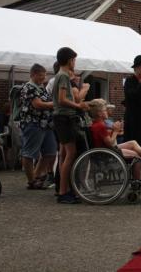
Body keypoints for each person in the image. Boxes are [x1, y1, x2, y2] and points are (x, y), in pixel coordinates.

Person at [88, 99, 141, 192]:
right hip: (107, 153)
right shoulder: (100, 126)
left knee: (133, 143)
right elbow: (110, 143)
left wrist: (113, 130)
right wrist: (116, 131)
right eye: (105, 110)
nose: (107, 112)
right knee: (136, 157)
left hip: (107, 150)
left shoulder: (98, 124)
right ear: (99, 113)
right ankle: (136, 182)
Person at [52, 47, 89, 204]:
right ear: (69, 61)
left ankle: (66, 189)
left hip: (63, 118)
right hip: (64, 118)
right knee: (70, 154)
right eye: (74, 60)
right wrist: (78, 106)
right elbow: (61, 99)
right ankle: (63, 192)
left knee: (68, 154)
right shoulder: (63, 76)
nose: (75, 63)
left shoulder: (61, 76)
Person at [19, 64, 57, 189]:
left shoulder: (41, 87)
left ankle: (35, 176)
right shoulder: (29, 87)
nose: (43, 78)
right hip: (33, 124)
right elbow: (38, 104)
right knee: (29, 153)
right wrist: (56, 104)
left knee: (51, 152)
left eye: (44, 75)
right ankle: (31, 181)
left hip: (46, 125)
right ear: (33, 74)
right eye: (41, 75)